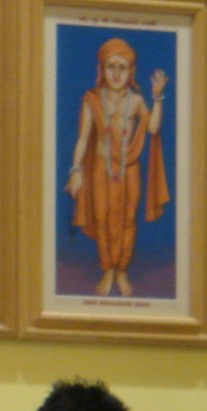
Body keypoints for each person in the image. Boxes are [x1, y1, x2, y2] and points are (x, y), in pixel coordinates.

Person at [66, 37, 169, 298]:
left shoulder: (135, 101)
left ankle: (121, 270)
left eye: (122, 67)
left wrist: (157, 98)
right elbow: (83, 138)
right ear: (102, 70)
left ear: (131, 72)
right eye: (111, 66)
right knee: (101, 218)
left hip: (129, 170)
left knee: (127, 221)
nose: (116, 73)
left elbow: (154, 128)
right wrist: (76, 170)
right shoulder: (92, 99)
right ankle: (107, 270)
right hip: (100, 169)